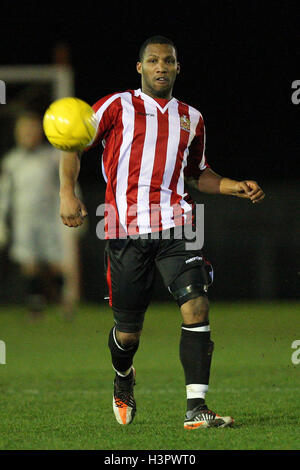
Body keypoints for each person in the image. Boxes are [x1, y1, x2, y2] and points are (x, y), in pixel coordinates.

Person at [59, 35, 265, 429]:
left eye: (168, 61)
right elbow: (72, 145)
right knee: (128, 333)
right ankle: (123, 376)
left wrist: (234, 185)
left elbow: (198, 174)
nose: (160, 67)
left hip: (177, 225)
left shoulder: (192, 118)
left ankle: (196, 408)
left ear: (177, 68)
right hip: (123, 229)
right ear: (140, 68)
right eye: (152, 61)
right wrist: (68, 194)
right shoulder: (116, 105)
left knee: (196, 305)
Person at [0, 110, 84, 316]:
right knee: (29, 263)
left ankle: (62, 299)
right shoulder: (12, 161)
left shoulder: (53, 156)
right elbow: (4, 194)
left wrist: (77, 209)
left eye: (31, 129)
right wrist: (1, 221)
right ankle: (35, 304)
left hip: (51, 220)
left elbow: (69, 183)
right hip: (24, 220)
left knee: (56, 264)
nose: (27, 134)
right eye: (23, 130)